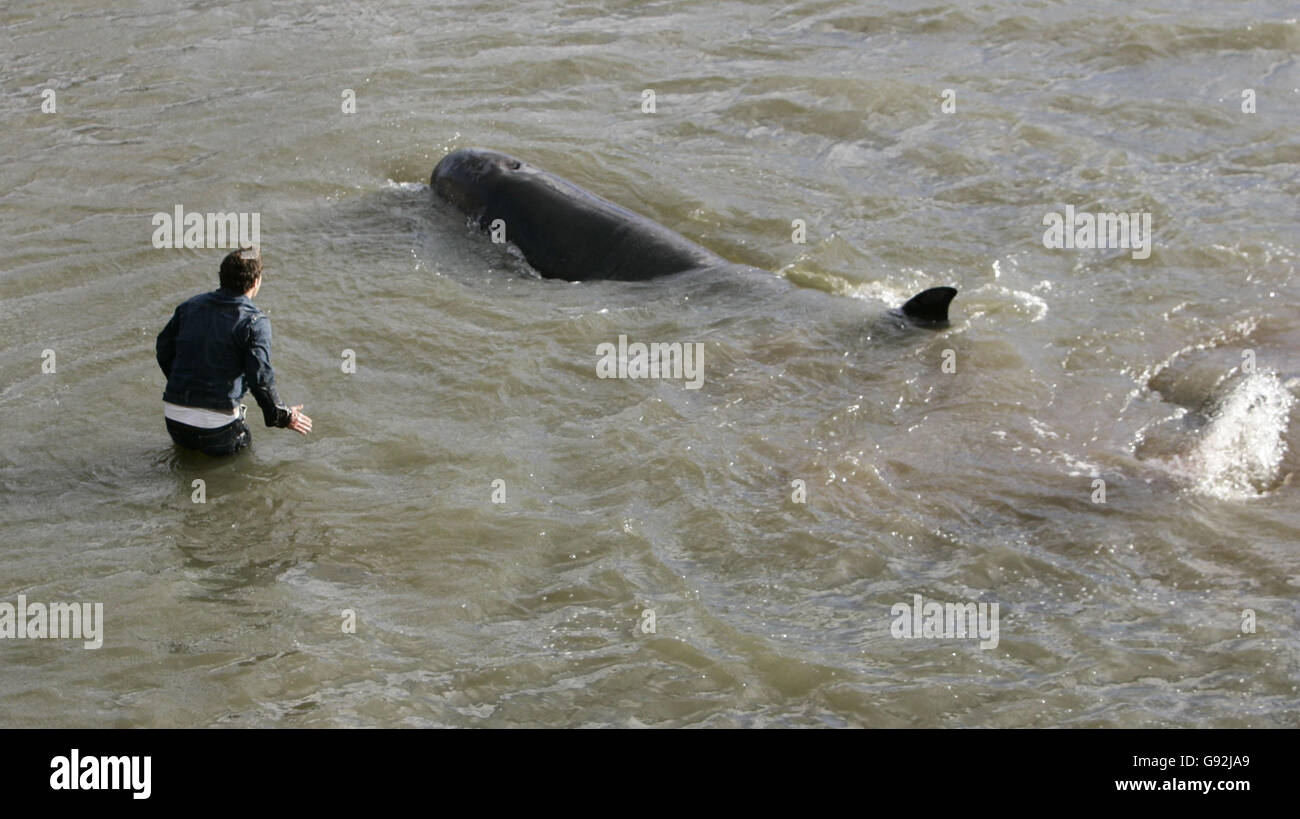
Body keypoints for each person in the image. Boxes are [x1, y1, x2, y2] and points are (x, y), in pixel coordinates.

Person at [155, 247, 311, 455]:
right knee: (240, 477)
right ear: (256, 282)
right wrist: (281, 415)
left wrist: (183, 383)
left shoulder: (189, 307)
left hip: (174, 417)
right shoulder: (255, 322)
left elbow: (163, 348)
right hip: (217, 427)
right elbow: (260, 378)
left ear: (221, 276)